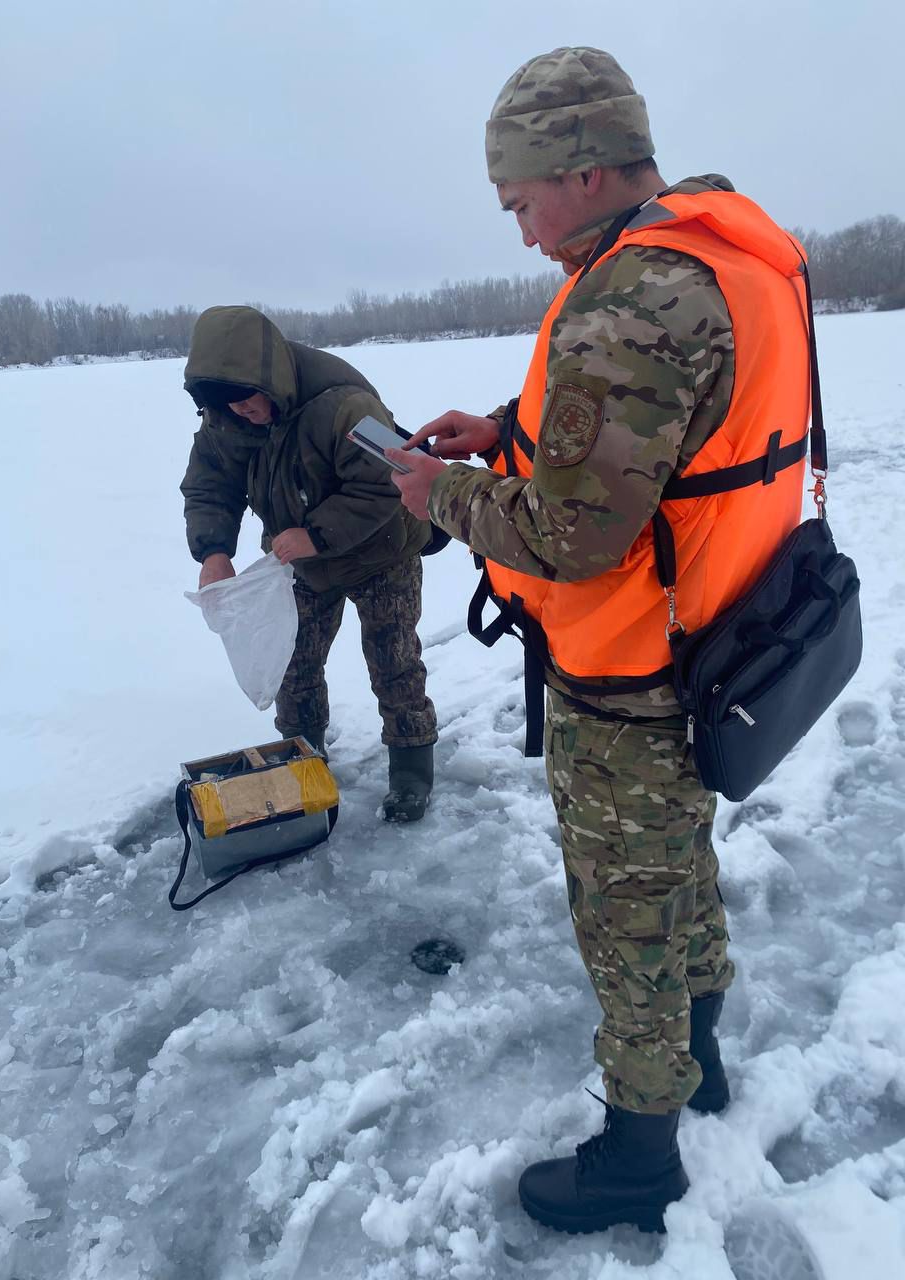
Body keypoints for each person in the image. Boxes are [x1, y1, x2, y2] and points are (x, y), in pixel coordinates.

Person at [390, 47, 811, 1232]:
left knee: (625, 906)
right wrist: (512, 424)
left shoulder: (628, 300)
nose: (522, 233)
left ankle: (640, 1147)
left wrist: (440, 494)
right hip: (720, 636)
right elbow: (664, 434)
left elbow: (571, 536)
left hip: (633, 666)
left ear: (579, 171)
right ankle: (702, 1056)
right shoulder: (725, 255)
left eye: (522, 203)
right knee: (678, 869)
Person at [181, 305, 438, 821]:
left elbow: (391, 480)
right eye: (229, 408)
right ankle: (304, 758)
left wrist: (316, 534)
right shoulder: (225, 419)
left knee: (393, 662)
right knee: (293, 665)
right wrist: (213, 552)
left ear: (269, 376)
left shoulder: (347, 405)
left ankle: (411, 767)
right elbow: (210, 485)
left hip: (381, 549)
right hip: (299, 561)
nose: (244, 415)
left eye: (249, 402)